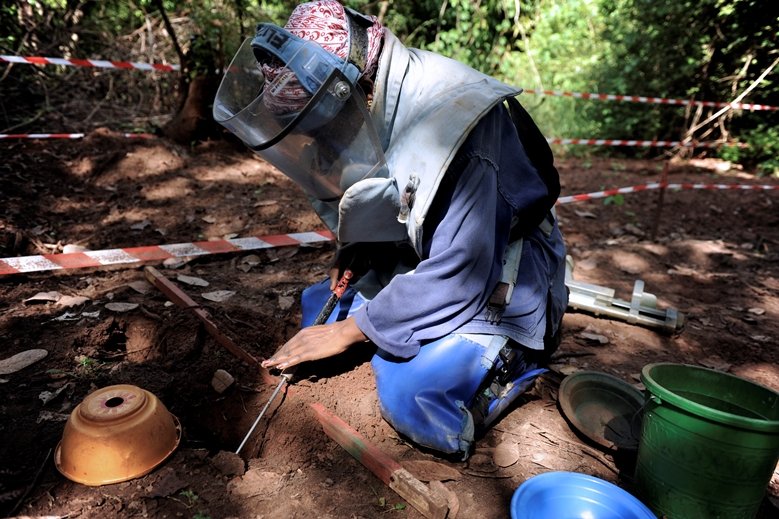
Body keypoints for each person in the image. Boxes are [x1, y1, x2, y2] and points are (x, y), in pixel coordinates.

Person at [213, 0, 568, 458]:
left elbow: (461, 271)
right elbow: (387, 189)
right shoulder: (374, 89)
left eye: (329, 126)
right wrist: (356, 251)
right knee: (321, 302)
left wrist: (349, 333)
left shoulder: (455, 123)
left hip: (504, 265)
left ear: (351, 90)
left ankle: (515, 361)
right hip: (431, 248)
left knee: (414, 395)